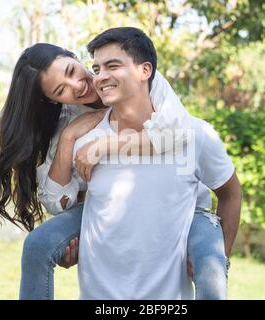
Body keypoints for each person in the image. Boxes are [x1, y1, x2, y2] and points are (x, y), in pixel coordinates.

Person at [0, 38, 239, 299]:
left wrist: (107, 146)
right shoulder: (69, 121)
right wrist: (69, 138)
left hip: (184, 204)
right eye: (60, 91)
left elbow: (177, 135)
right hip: (99, 205)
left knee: (212, 264)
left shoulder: (145, 82)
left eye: (72, 71)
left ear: (75, 58)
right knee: (38, 245)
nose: (77, 86)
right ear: (54, 101)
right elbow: (58, 202)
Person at [75, 27, 241, 299]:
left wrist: (218, 259)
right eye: (96, 68)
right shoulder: (86, 144)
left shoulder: (195, 136)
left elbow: (231, 194)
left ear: (145, 70)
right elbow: (74, 205)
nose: (100, 76)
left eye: (112, 66)